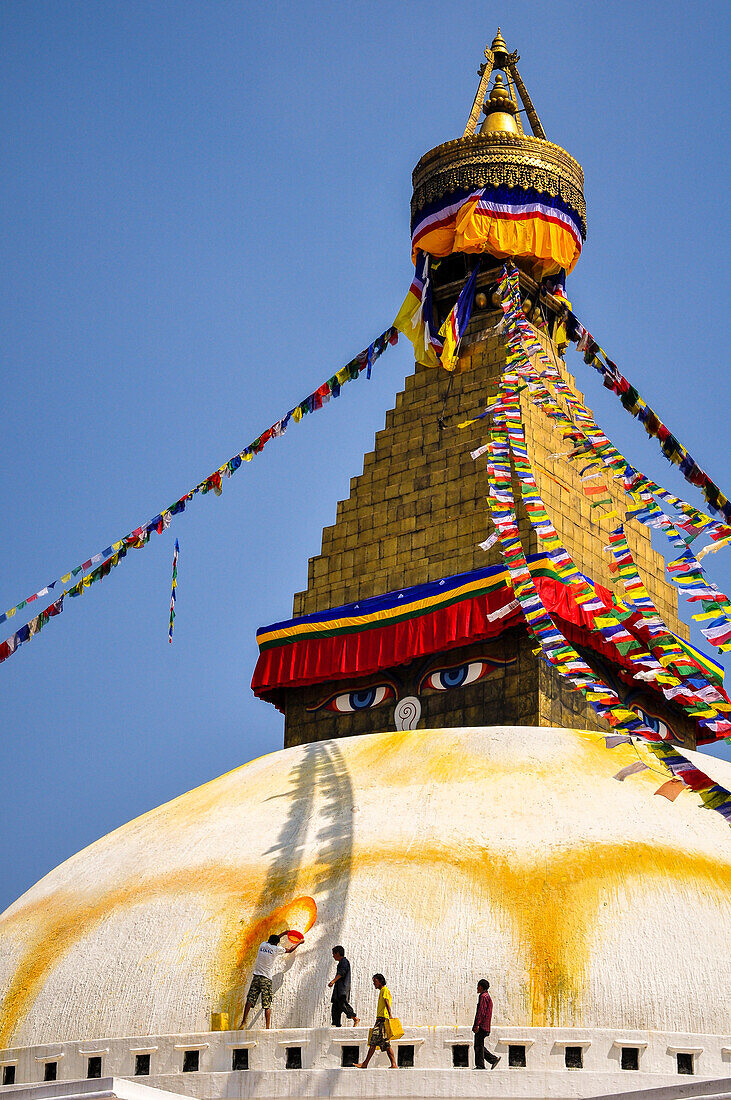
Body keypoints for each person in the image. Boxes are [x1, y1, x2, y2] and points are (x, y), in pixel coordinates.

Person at [239, 932, 302, 1029]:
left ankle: (243, 1021)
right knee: (267, 1004)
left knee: (250, 1000)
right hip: (266, 979)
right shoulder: (276, 949)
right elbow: (290, 950)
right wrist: (299, 943)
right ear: (277, 943)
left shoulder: (263, 944)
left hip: (256, 977)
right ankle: (267, 1027)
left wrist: (284, 933)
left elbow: (275, 939)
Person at [356, 973, 397, 1069]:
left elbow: (387, 1002)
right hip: (381, 1020)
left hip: (381, 1021)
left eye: (375, 981)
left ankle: (365, 1063)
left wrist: (390, 1015)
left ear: (380, 981)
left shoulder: (384, 990)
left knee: (373, 1042)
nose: (374, 983)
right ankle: (393, 1064)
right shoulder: (382, 991)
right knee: (385, 1044)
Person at [328, 946, 360, 1027]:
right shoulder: (341, 962)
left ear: (338, 953)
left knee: (342, 1004)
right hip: (338, 989)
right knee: (335, 1008)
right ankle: (337, 1025)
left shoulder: (344, 962)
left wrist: (333, 981)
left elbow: (342, 973)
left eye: (333, 954)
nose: (333, 956)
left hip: (342, 989)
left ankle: (355, 1018)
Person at [473, 978, 500, 1069]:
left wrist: (477, 1024)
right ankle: (493, 1059)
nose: (477, 988)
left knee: (478, 1046)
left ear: (481, 987)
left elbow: (481, 1012)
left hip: (482, 1025)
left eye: (478, 986)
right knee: (479, 1045)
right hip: (485, 1025)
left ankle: (481, 1065)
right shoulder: (487, 996)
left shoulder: (483, 997)